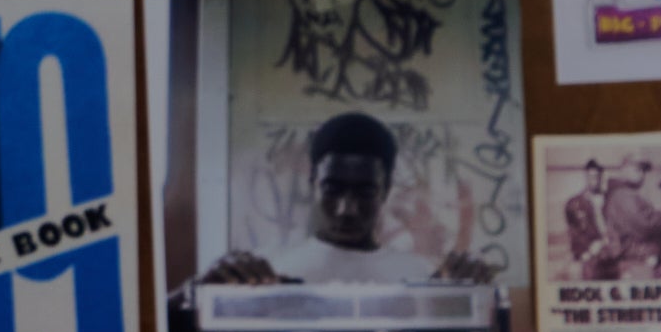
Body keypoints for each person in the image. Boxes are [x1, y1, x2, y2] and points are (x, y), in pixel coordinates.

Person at [201, 111, 496, 290]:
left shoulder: (420, 277)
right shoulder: (268, 271)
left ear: (385, 190)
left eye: (364, 193)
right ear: (313, 184)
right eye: (333, 190)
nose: (346, 209)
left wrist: (470, 288)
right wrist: (202, 290)